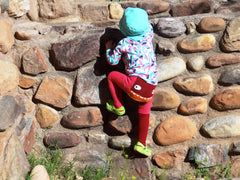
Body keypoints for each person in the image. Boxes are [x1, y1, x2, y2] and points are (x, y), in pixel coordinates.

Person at [105, 7, 158, 157]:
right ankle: (141, 143)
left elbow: (112, 61)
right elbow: (148, 25)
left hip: (134, 83)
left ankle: (118, 106)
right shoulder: (148, 34)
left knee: (112, 76)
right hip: (151, 84)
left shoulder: (124, 43)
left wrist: (109, 48)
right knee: (144, 112)